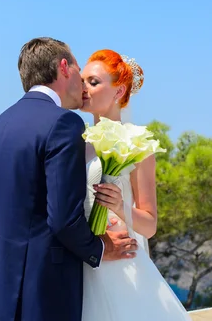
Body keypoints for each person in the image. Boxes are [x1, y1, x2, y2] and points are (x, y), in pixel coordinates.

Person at [0, 38, 138, 321]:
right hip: (41, 293)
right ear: (64, 67)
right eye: (79, 70)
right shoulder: (63, 123)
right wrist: (102, 248)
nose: (82, 82)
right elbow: (63, 218)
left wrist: (16, 246)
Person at [80, 49, 191, 320]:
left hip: (122, 265)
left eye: (93, 82)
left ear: (118, 92)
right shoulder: (75, 141)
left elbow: (149, 225)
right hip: (83, 262)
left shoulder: (137, 143)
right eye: (81, 80)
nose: (83, 88)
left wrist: (120, 207)